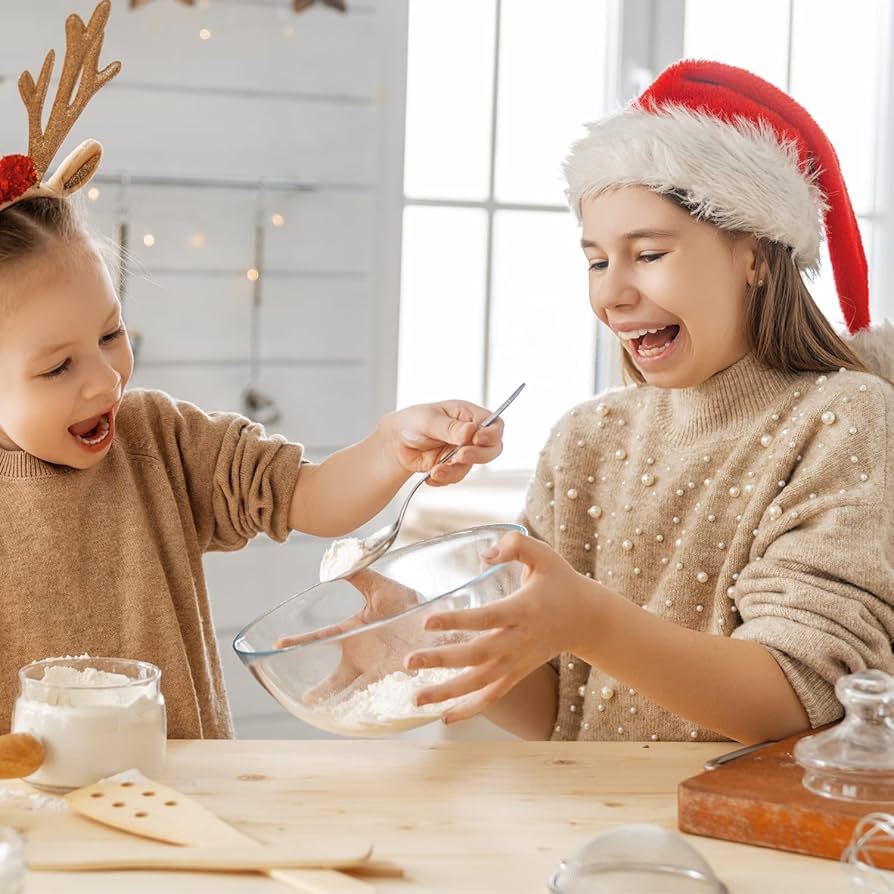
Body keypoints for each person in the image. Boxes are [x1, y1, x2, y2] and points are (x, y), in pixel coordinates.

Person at [0, 1, 504, 738]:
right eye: (56, 369)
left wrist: (393, 445)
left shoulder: (162, 442)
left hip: (189, 804)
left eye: (111, 334)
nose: (105, 380)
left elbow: (313, 498)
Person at [399, 59, 894, 745]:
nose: (610, 295)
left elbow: (799, 695)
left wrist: (588, 619)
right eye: (597, 261)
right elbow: (563, 713)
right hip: (591, 830)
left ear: (754, 255)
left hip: (746, 841)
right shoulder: (586, 438)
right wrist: (420, 636)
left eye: (649, 254)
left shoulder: (848, 419)